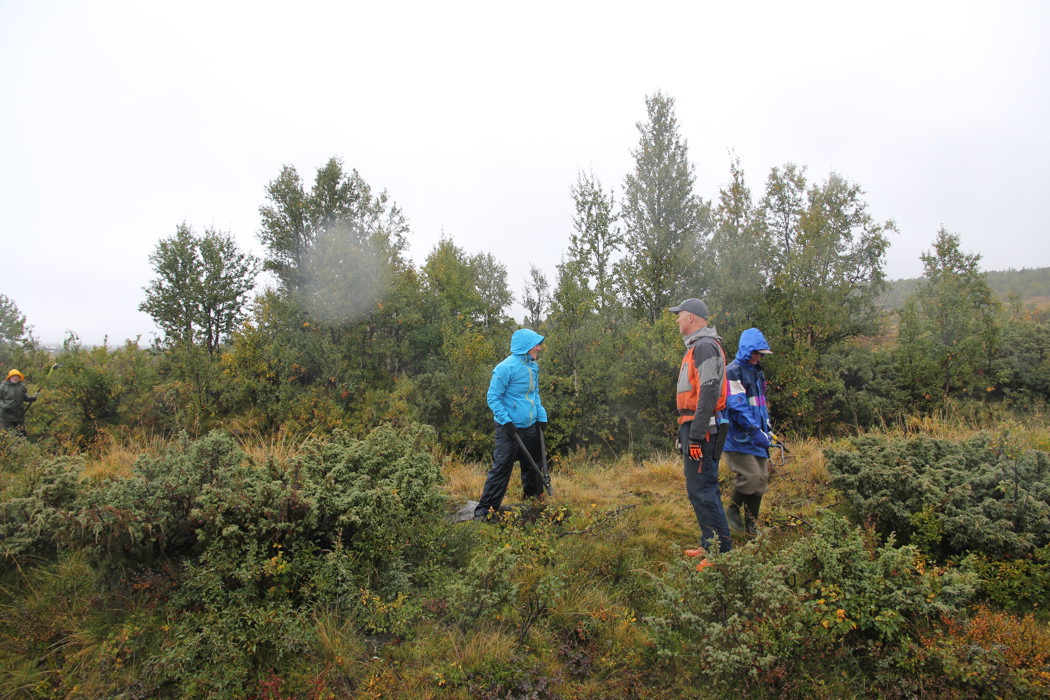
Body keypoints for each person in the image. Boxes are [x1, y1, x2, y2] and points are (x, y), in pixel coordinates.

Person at [670, 299, 733, 553]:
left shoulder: (705, 346)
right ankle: (709, 545)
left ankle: (720, 553)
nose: (677, 319)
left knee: (704, 490)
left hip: (703, 429)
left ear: (691, 317)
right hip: (696, 425)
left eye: (680, 315)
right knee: (698, 489)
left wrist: (695, 436)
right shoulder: (698, 347)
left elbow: (708, 392)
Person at [474, 328, 549, 520]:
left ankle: (533, 500)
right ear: (525, 346)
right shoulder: (505, 367)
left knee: (533, 465)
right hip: (509, 429)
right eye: (536, 345)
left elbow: (534, 393)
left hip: (530, 425)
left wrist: (541, 415)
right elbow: (493, 397)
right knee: (502, 468)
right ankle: (485, 510)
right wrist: (506, 421)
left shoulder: (532, 366)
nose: (539, 348)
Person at [723, 328, 774, 535]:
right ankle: (732, 512)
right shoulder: (732, 371)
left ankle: (752, 528)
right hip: (738, 438)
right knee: (751, 476)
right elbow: (737, 406)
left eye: (761, 354)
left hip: (757, 436)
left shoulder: (757, 372)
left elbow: (761, 404)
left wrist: (767, 428)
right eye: (755, 353)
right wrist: (754, 430)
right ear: (746, 350)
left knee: (761, 480)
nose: (757, 357)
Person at [0, 369, 36, 435]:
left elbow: (25, 396)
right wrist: (5, 406)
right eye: (13, 376)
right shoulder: (3, 387)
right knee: (6, 434)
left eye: (17, 376)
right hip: (6, 416)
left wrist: (30, 399)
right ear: (10, 377)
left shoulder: (21, 386)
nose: (15, 378)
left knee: (20, 434)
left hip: (19, 415)